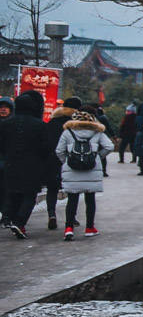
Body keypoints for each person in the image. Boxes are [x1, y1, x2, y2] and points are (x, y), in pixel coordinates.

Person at [1, 90, 57, 238]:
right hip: (33, 166)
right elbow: (47, 148)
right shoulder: (39, 125)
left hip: (11, 164)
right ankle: (20, 223)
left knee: (12, 193)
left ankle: (9, 218)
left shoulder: (6, 124)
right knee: (29, 195)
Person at [54, 110, 113, 239]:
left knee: (72, 199)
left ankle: (69, 228)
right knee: (90, 199)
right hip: (91, 169)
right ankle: (89, 227)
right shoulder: (97, 132)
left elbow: (59, 150)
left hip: (72, 169)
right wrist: (97, 157)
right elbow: (109, 146)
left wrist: (67, 161)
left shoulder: (68, 132)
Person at [43, 97, 80, 231]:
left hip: (52, 159)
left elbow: (45, 141)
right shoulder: (75, 123)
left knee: (52, 189)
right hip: (71, 160)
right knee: (72, 190)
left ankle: (51, 214)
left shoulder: (52, 122)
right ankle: (72, 217)